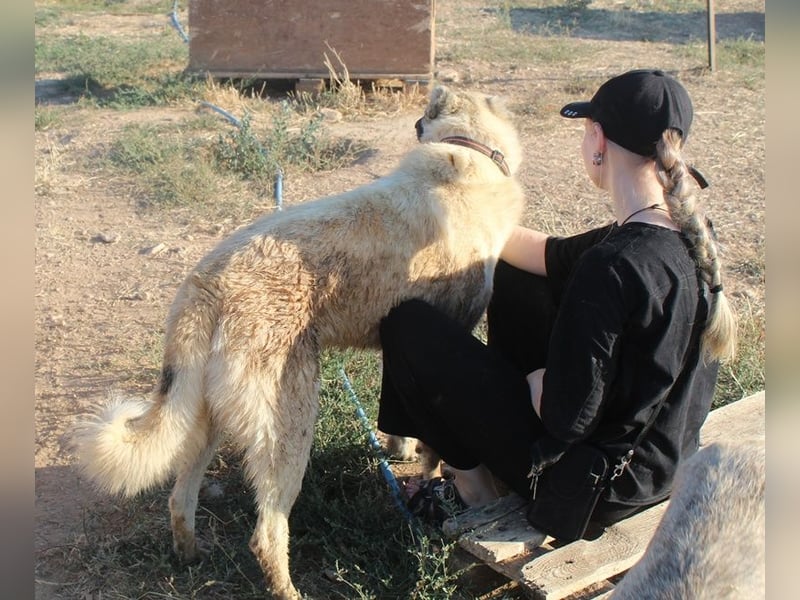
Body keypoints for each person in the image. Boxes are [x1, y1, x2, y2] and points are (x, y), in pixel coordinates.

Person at [377, 69, 737, 533]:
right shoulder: (685, 235)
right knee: (516, 273)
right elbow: (544, 253)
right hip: (655, 468)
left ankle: (476, 492)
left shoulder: (611, 266)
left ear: (597, 138)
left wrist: (531, 380)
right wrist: (467, 215)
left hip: (588, 493)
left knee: (407, 325)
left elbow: (566, 417)